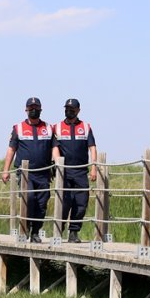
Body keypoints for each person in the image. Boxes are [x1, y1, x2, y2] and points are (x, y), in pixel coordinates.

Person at [2, 97, 53, 243]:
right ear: (26, 110)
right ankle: (26, 227)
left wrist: (57, 163)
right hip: (25, 174)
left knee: (42, 203)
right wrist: (5, 170)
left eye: (36, 107)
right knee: (29, 198)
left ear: (41, 109)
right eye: (31, 108)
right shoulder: (18, 128)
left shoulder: (48, 128)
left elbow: (54, 147)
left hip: (44, 172)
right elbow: (11, 149)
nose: (34, 110)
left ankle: (35, 232)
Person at [51, 98, 98, 243]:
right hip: (63, 172)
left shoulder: (85, 127)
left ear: (78, 110)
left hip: (80, 171)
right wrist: (57, 164)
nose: (69, 111)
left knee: (81, 203)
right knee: (64, 203)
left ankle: (74, 233)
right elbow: (54, 147)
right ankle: (59, 230)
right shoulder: (57, 127)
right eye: (67, 108)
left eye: (72, 109)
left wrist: (93, 167)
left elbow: (92, 148)